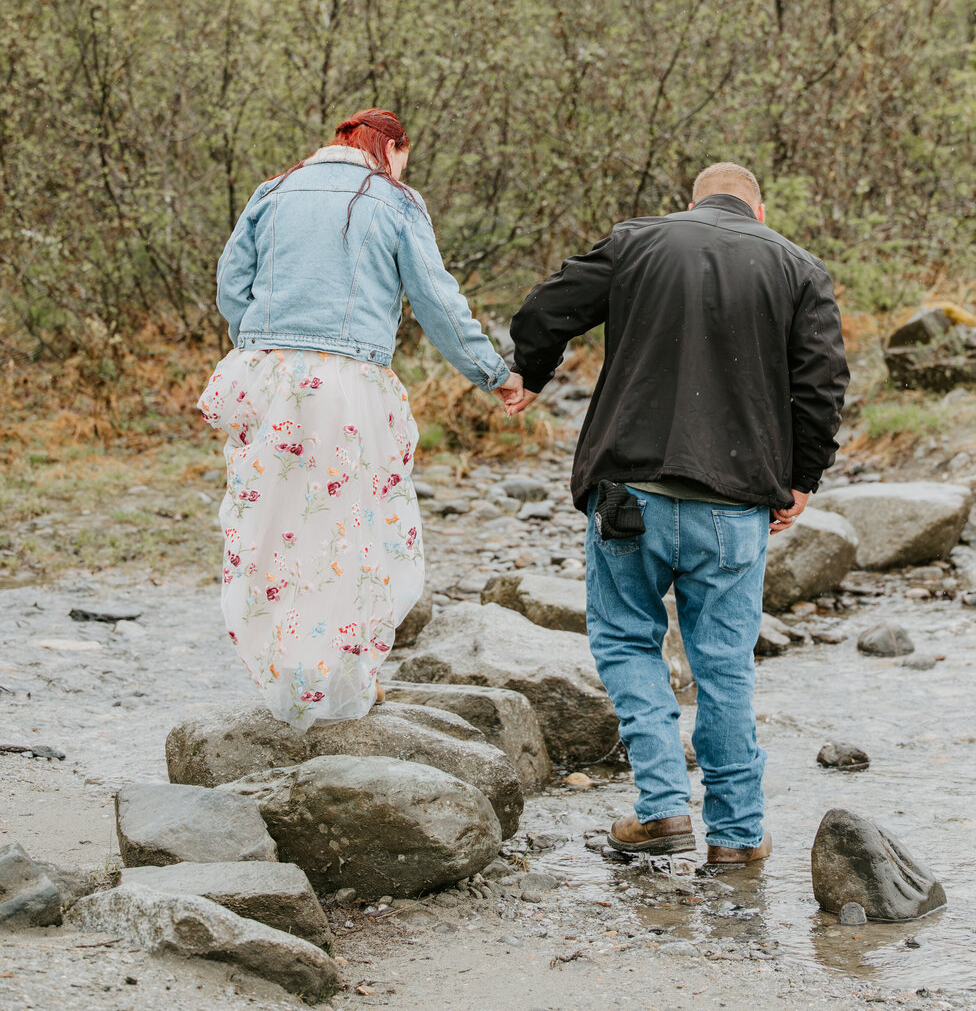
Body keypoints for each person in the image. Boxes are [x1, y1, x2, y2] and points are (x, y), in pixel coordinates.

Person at [507, 162, 847, 868]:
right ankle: (738, 834)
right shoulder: (797, 267)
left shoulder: (640, 241)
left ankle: (662, 809)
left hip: (629, 489)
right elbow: (821, 382)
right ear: (759, 210)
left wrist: (531, 373)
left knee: (630, 643)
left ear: (690, 203)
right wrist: (801, 478)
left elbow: (545, 310)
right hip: (734, 501)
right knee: (724, 668)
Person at [199, 108, 523, 727]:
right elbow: (436, 298)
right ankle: (345, 678)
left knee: (270, 529)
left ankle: (286, 675)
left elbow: (230, 282)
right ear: (390, 148)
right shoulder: (393, 199)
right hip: (347, 388)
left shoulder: (275, 189)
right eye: (406, 156)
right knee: (356, 529)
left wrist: (261, 342)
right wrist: (495, 373)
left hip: (267, 380)